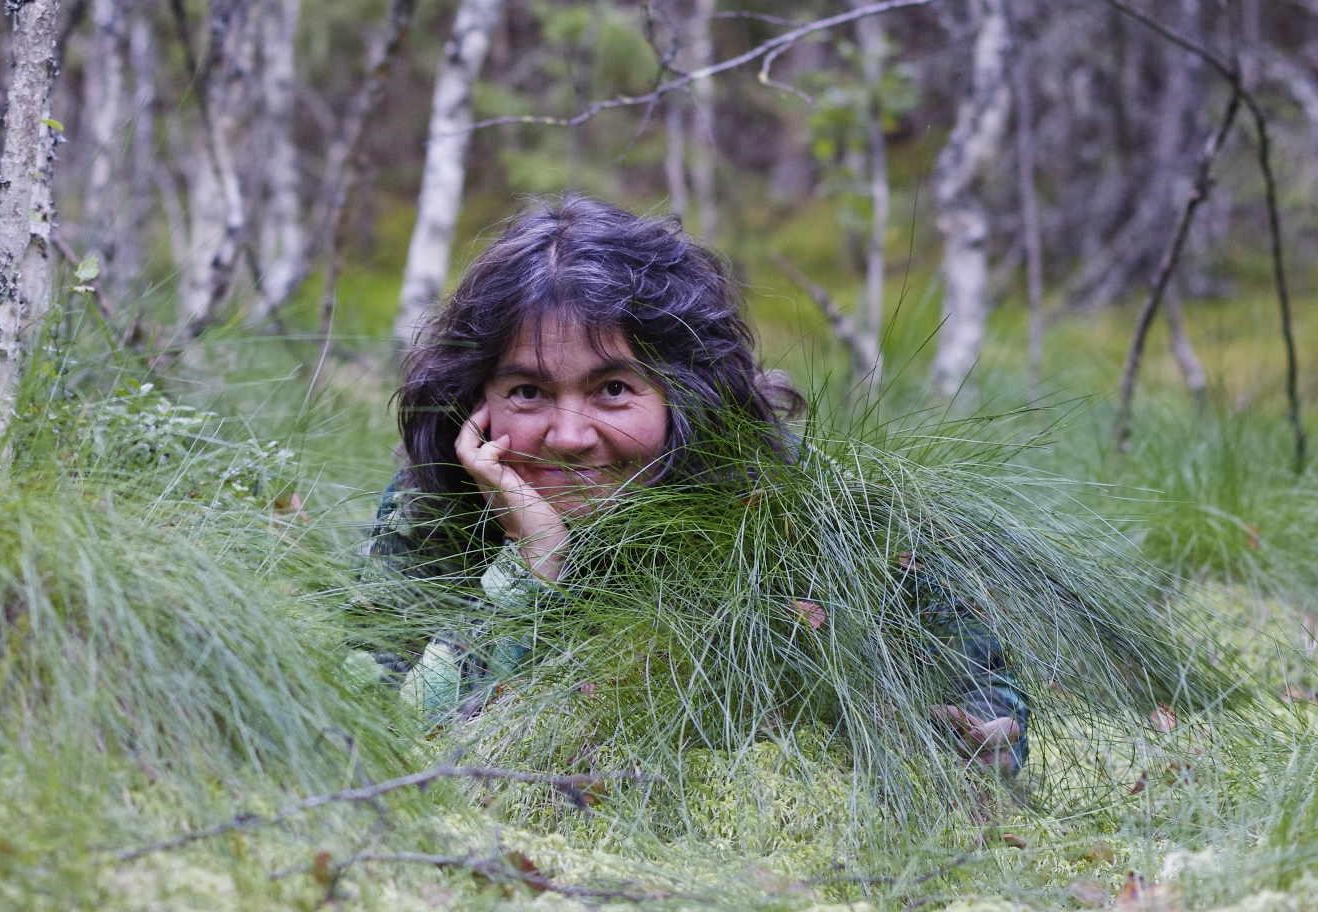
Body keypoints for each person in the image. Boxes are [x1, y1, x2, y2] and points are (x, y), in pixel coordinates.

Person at [356, 195, 1028, 775]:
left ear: (684, 393)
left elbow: (983, 687)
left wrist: (983, 737)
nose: (568, 436)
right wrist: (532, 568)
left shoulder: (786, 496)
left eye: (613, 389)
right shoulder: (440, 496)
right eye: (527, 391)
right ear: (477, 399)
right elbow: (372, 726)